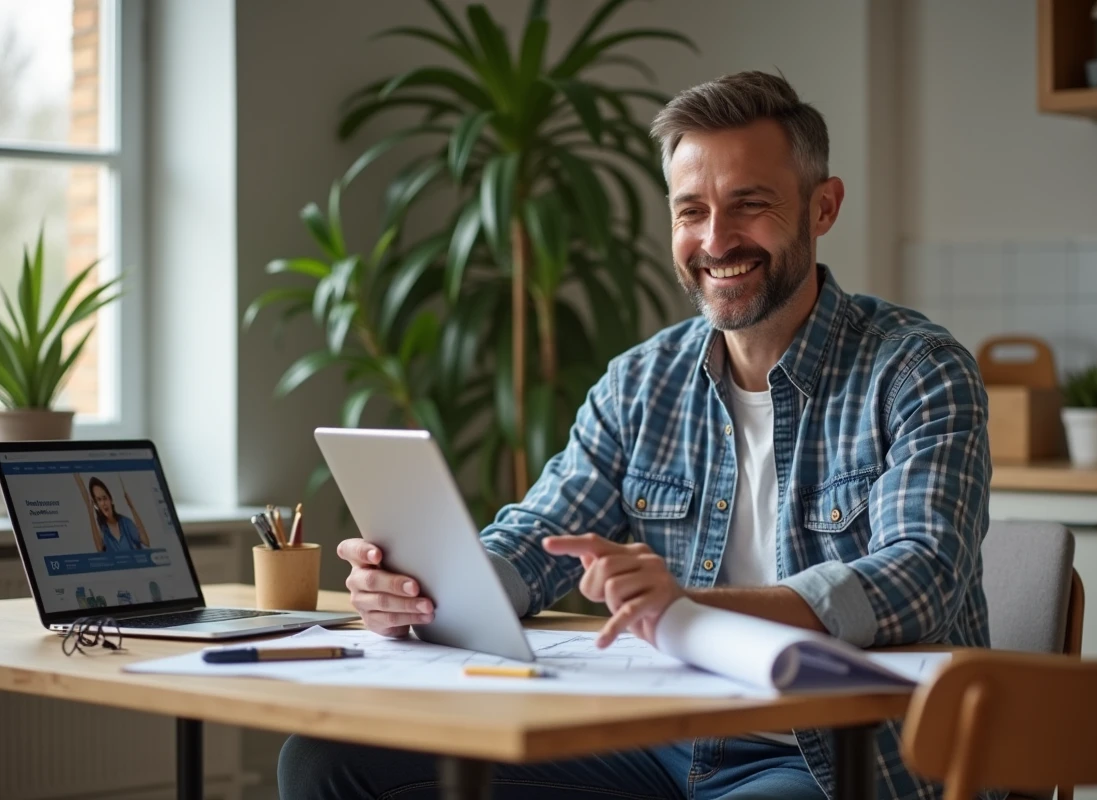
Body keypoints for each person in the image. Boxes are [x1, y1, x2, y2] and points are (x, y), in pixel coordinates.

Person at [279, 70, 993, 800]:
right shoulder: (642, 382)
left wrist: (684, 605)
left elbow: (921, 577)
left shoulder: (917, 371)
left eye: (749, 205)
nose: (716, 241)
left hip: (837, 761)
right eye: (692, 212)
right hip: (658, 742)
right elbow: (539, 537)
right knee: (327, 760)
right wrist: (425, 589)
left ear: (823, 207)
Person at [75, 474, 151, 552]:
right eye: (99, 500)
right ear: (97, 505)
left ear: (110, 499)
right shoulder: (103, 529)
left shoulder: (125, 522)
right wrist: (90, 512)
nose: (103, 503)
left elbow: (146, 541)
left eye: (105, 498)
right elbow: (99, 548)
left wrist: (131, 507)